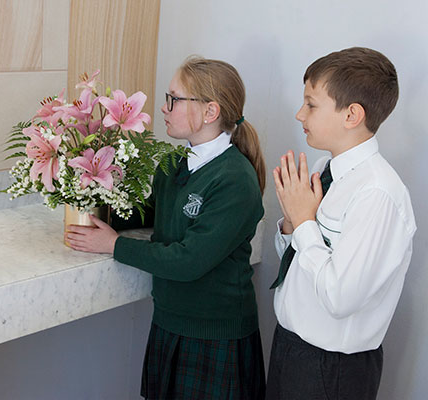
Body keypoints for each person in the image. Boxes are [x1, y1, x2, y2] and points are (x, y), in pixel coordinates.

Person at [65, 56, 266, 399]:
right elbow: (153, 212)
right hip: (170, 322)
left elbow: (188, 261)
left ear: (210, 112)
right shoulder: (175, 162)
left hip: (214, 336)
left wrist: (114, 245)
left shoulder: (234, 179)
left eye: (174, 99)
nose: (163, 107)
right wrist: (96, 207)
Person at [267, 47, 416, 400]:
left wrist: (305, 223)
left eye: (311, 104)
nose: (299, 113)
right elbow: (297, 265)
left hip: (331, 370)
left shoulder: (378, 193)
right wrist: (291, 224)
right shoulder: (322, 170)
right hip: (289, 349)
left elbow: (340, 297)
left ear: (352, 115)